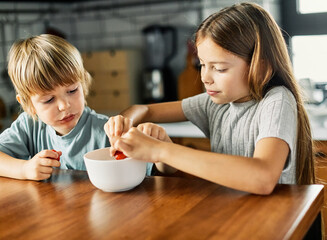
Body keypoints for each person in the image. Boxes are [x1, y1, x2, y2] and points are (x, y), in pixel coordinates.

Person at [105, 2, 315, 195]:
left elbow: (263, 177)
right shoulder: (214, 104)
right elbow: (145, 110)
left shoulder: (277, 101)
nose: (205, 77)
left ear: (260, 68)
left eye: (219, 68)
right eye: (203, 65)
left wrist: (161, 150)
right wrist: (123, 122)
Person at [0, 34, 159, 181]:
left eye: (72, 91)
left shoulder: (106, 133)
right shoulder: (28, 126)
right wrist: (23, 169)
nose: (64, 106)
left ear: (82, 84)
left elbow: (154, 170)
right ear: (28, 105)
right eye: (48, 100)